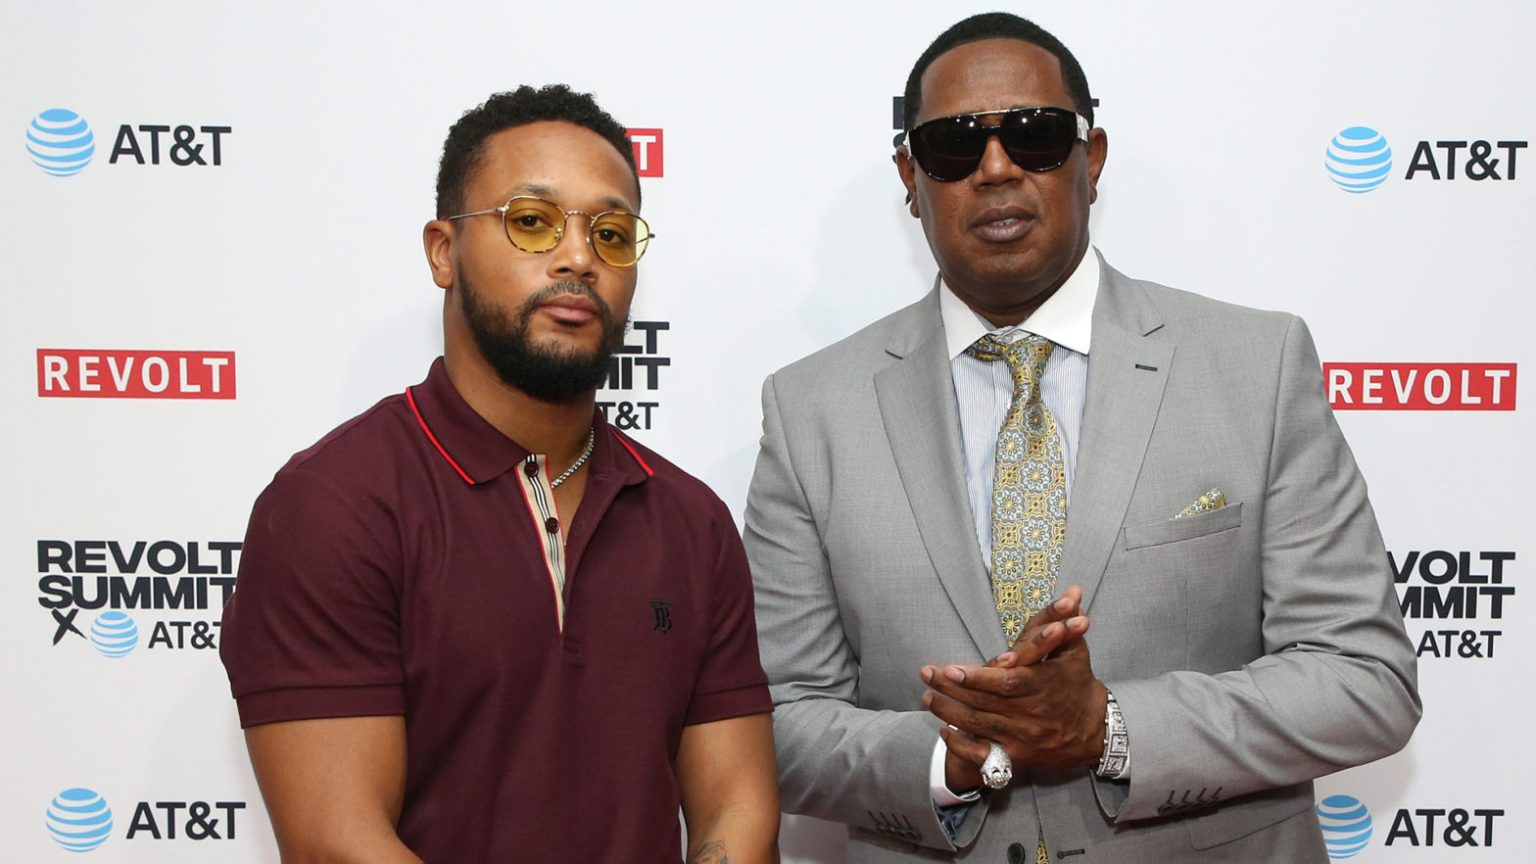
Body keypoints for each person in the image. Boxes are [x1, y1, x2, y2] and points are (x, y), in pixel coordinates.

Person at [745, 13, 1419, 862]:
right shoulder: (810, 408)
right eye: (954, 145)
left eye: (1034, 135)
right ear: (911, 177)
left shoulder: (1257, 366)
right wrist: (944, 761)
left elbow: (1365, 678)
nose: (996, 167)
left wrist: (1110, 728)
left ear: (1090, 158)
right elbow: (773, 721)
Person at [219, 85, 779, 864]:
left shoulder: (691, 520)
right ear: (442, 251)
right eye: (532, 221)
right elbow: (336, 842)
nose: (579, 257)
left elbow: (736, 808)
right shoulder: (335, 504)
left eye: (611, 233)